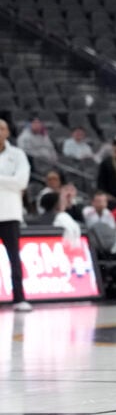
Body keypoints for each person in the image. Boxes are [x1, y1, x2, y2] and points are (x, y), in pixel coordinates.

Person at [0, 118, 32, 312]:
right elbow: (14, 182)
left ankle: (19, 298)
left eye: (2, 128)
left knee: (14, 258)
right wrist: (8, 181)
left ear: (8, 132)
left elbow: (21, 182)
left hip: (10, 213)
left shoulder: (18, 155)